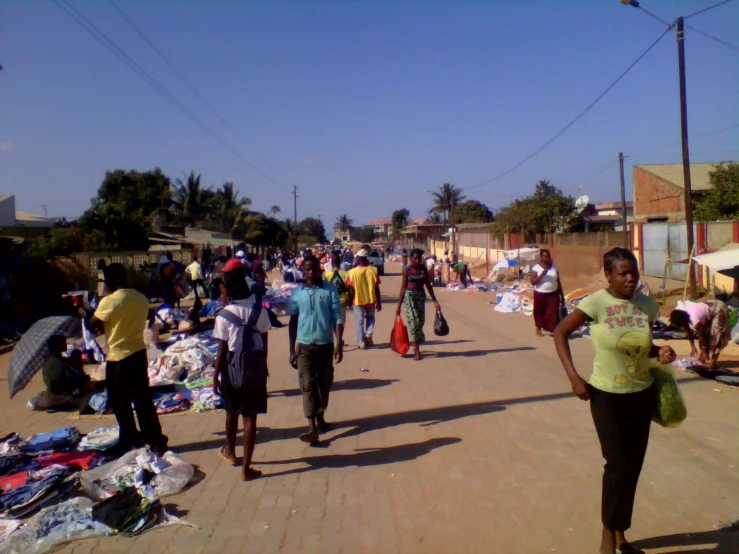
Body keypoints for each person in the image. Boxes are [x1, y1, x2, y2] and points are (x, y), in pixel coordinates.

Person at [553, 248, 676, 554]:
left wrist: (659, 351)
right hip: (606, 395)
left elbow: (643, 346)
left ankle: (621, 535)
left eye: (633, 272)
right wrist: (574, 377)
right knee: (618, 466)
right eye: (623, 273)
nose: (630, 278)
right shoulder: (595, 302)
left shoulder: (646, 305)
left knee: (632, 467)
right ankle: (608, 537)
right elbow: (560, 333)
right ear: (608, 275)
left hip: (641, 394)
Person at [84, 263, 168, 455]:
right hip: (138, 353)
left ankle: (129, 439)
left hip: (119, 357)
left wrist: (86, 313)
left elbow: (93, 325)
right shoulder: (140, 297)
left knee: (121, 402)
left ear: (109, 281)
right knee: (143, 400)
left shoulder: (110, 301)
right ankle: (155, 440)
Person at [213, 285, 271, 481]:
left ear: (229, 293)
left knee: (231, 411)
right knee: (250, 418)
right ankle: (246, 469)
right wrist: (264, 367)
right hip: (254, 366)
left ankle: (230, 451)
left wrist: (215, 375)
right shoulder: (260, 311)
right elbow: (264, 343)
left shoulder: (223, 315)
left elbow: (221, 348)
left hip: (231, 367)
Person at [288, 256, 344, 444]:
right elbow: (293, 321)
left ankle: (320, 415)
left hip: (325, 344)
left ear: (320, 270)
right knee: (308, 384)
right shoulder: (297, 293)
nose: (311, 273)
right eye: (307, 269)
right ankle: (312, 428)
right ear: (303, 271)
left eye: (314, 269)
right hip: (304, 346)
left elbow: (337, 317)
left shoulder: (329, 290)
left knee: (324, 382)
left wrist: (339, 343)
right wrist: (291, 349)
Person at [396, 249, 441, 361]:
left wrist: (435, 300)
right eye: (415, 258)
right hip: (409, 296)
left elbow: (428, 286)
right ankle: (417, 350)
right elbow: (403, 287)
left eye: (419, 258)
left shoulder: (423, 269)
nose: (417, 260)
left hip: (420, 296)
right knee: (414, 322)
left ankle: (416, 344)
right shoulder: (407, 269)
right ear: (411, 258)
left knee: (420, 322)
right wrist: (399, 306)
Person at [670, 299, 730, 369]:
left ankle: (713, 363)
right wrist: (693, 347)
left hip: (718, 309)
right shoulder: (679, 314)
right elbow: (688, 332)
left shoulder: (693, 318)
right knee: (705, 337)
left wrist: (704, 351)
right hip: (707, 309)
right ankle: (703, 359)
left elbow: (702, 335)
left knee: (715, 337)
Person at [346, 249, 382, 349]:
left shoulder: (352, 272)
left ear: (357, 258)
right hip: (370, 299)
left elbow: (351, 288)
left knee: (359, 322)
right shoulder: (373, 270)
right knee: (370, 318)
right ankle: (369, 334)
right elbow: (376, 287)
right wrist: (379, 302)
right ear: (367, 258)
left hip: (357, 300)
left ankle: (361, 343)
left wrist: (350, 300)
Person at [530, 249, 565, 337]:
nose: (548, 258)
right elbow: (533, 282)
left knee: (553, 312)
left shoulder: (554, 268)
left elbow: (558, 281)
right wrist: (542, 274)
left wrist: (562, 295)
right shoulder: (536, 268)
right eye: (546, 257)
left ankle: (554, 330)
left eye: (549, 256)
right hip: (540, 294)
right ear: (541, 257)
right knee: (539, 312)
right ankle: (538, 328)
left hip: (553, 294)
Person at [323, 251, 351, 330]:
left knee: (331, 320)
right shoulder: (346, 274)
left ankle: (334, 336)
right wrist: (350, 299)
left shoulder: (325, 274)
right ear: (340, 263)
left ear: (331, 264)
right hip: (342, 300)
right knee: (341, 321)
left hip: (329, 300)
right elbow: (349, 287)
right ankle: (340, 338)